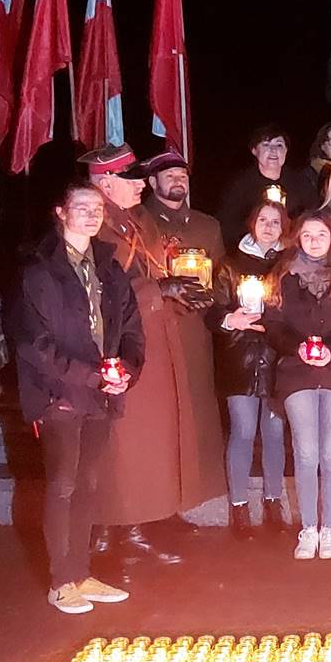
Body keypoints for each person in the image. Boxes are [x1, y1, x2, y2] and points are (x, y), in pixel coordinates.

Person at [12, 181, 140, 614]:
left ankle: (81, 573)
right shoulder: (39, 270)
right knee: (63, 485)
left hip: (100, 397)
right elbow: (35, 344)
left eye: (97, 208)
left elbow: (131, 328)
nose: (91, 214)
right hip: (59, 395)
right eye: (81, 207)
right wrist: (90, 377)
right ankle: (60, 580)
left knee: (88, 484)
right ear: (61, 212)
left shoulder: (110, 267)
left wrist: (127, 372)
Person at [94, 148, 224, 571]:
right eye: (130, 179)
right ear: (104, 182)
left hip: (152, 333)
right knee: (130, 439)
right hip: (121, 342)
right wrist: (159, 291)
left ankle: (146, 517)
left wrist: (175, 289)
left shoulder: (136, 220)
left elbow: (149, 272)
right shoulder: (99, 224)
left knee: (152, 434)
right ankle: (124, 528)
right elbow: (103, 288)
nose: (139, 185)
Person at [262, 213, 331, 560]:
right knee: (306, 451)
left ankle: (330, 529)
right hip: (297, 371)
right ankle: (308, 527)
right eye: (306, 234)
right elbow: (273, 322)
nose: (313, 240)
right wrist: (297, 346)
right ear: (297, 238)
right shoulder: (283, 275)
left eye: (320, 234)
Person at [208, 201, 292, 538]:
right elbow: (212, 308)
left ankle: (273, 503)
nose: (269, 227)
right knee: (243, 431)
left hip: (276, 360)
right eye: (263, 220)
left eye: (276, 221)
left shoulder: (289, 265)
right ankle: (239, 507)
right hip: (239, 359)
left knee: (274, 434)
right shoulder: (229, 264)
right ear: (251, 223)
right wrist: (231, 319)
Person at [218, 125, 314, 245]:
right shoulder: (239, 185)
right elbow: (227, 223)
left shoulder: (300, 182)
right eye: (266, 145)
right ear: (254, 151)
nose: (273, 150)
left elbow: (312, 215)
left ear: (286, 151)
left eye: (279, 145)